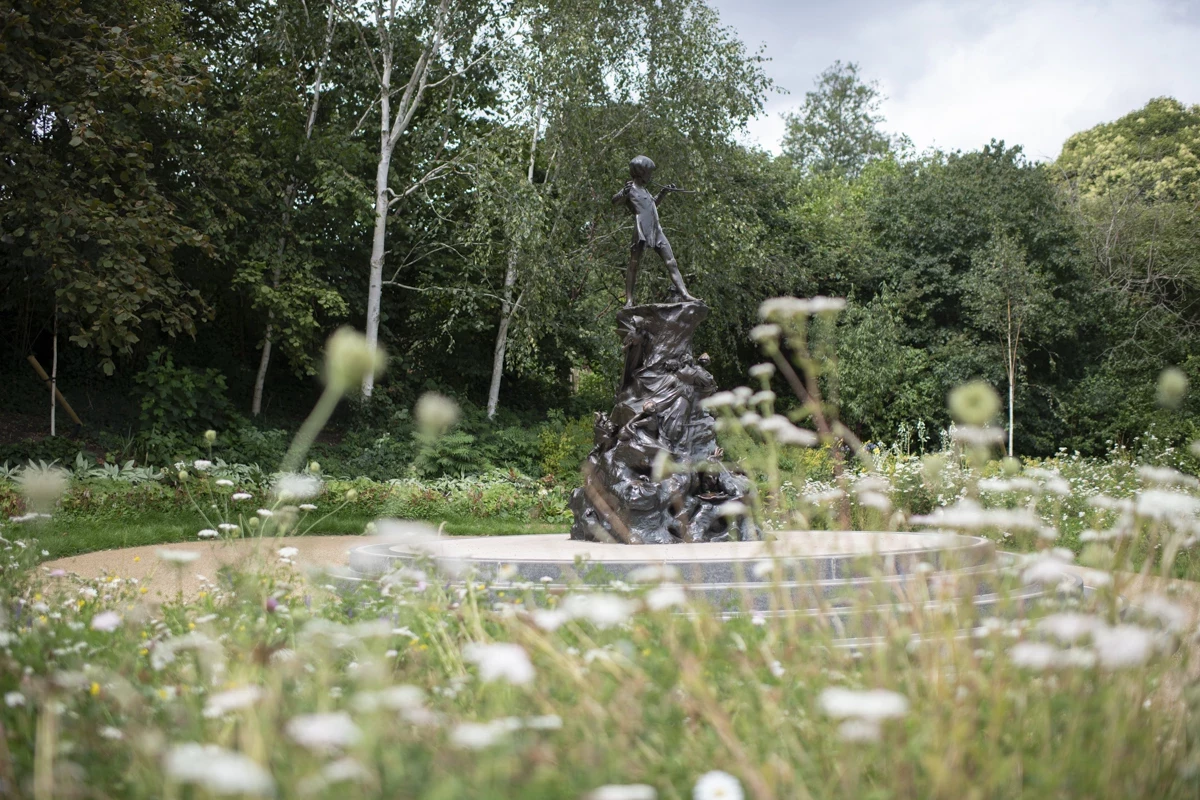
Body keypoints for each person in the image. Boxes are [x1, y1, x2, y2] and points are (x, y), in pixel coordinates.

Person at [612, 155, 695, 307]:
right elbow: (615, 201)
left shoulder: (645, 191)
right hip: (642, 229)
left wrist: (663, 192)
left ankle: (684, 294)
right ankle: (629, 300)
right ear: (642, 172)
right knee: (633, 264)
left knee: (671, 262)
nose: (651, 176)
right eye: (649, 172)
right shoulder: (630, 189)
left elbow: (652, 205)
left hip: (656, 230)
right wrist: (622, 193)